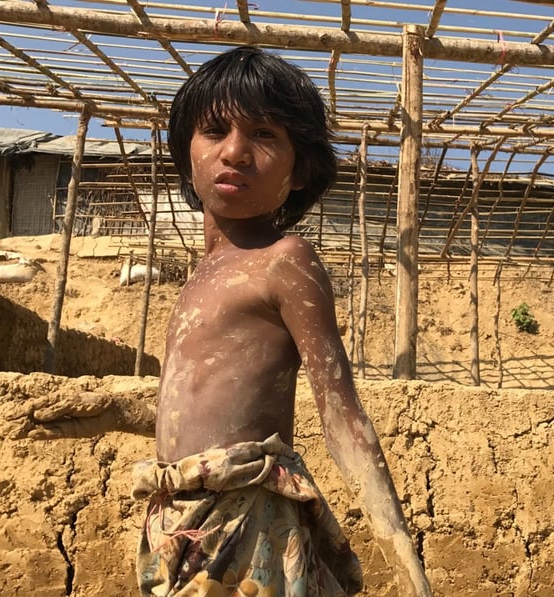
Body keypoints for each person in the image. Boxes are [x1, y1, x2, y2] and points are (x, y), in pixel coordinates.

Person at [127, 46, 431, 596]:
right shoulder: (202, 276)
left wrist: (407, 563)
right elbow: (199, 404)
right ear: (184, 152)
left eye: (265, 135)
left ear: (301, 170)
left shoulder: (285, 260)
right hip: (176, 521)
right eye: (214, 130)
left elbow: (342, 413)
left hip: (245, 530)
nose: (236, 152)